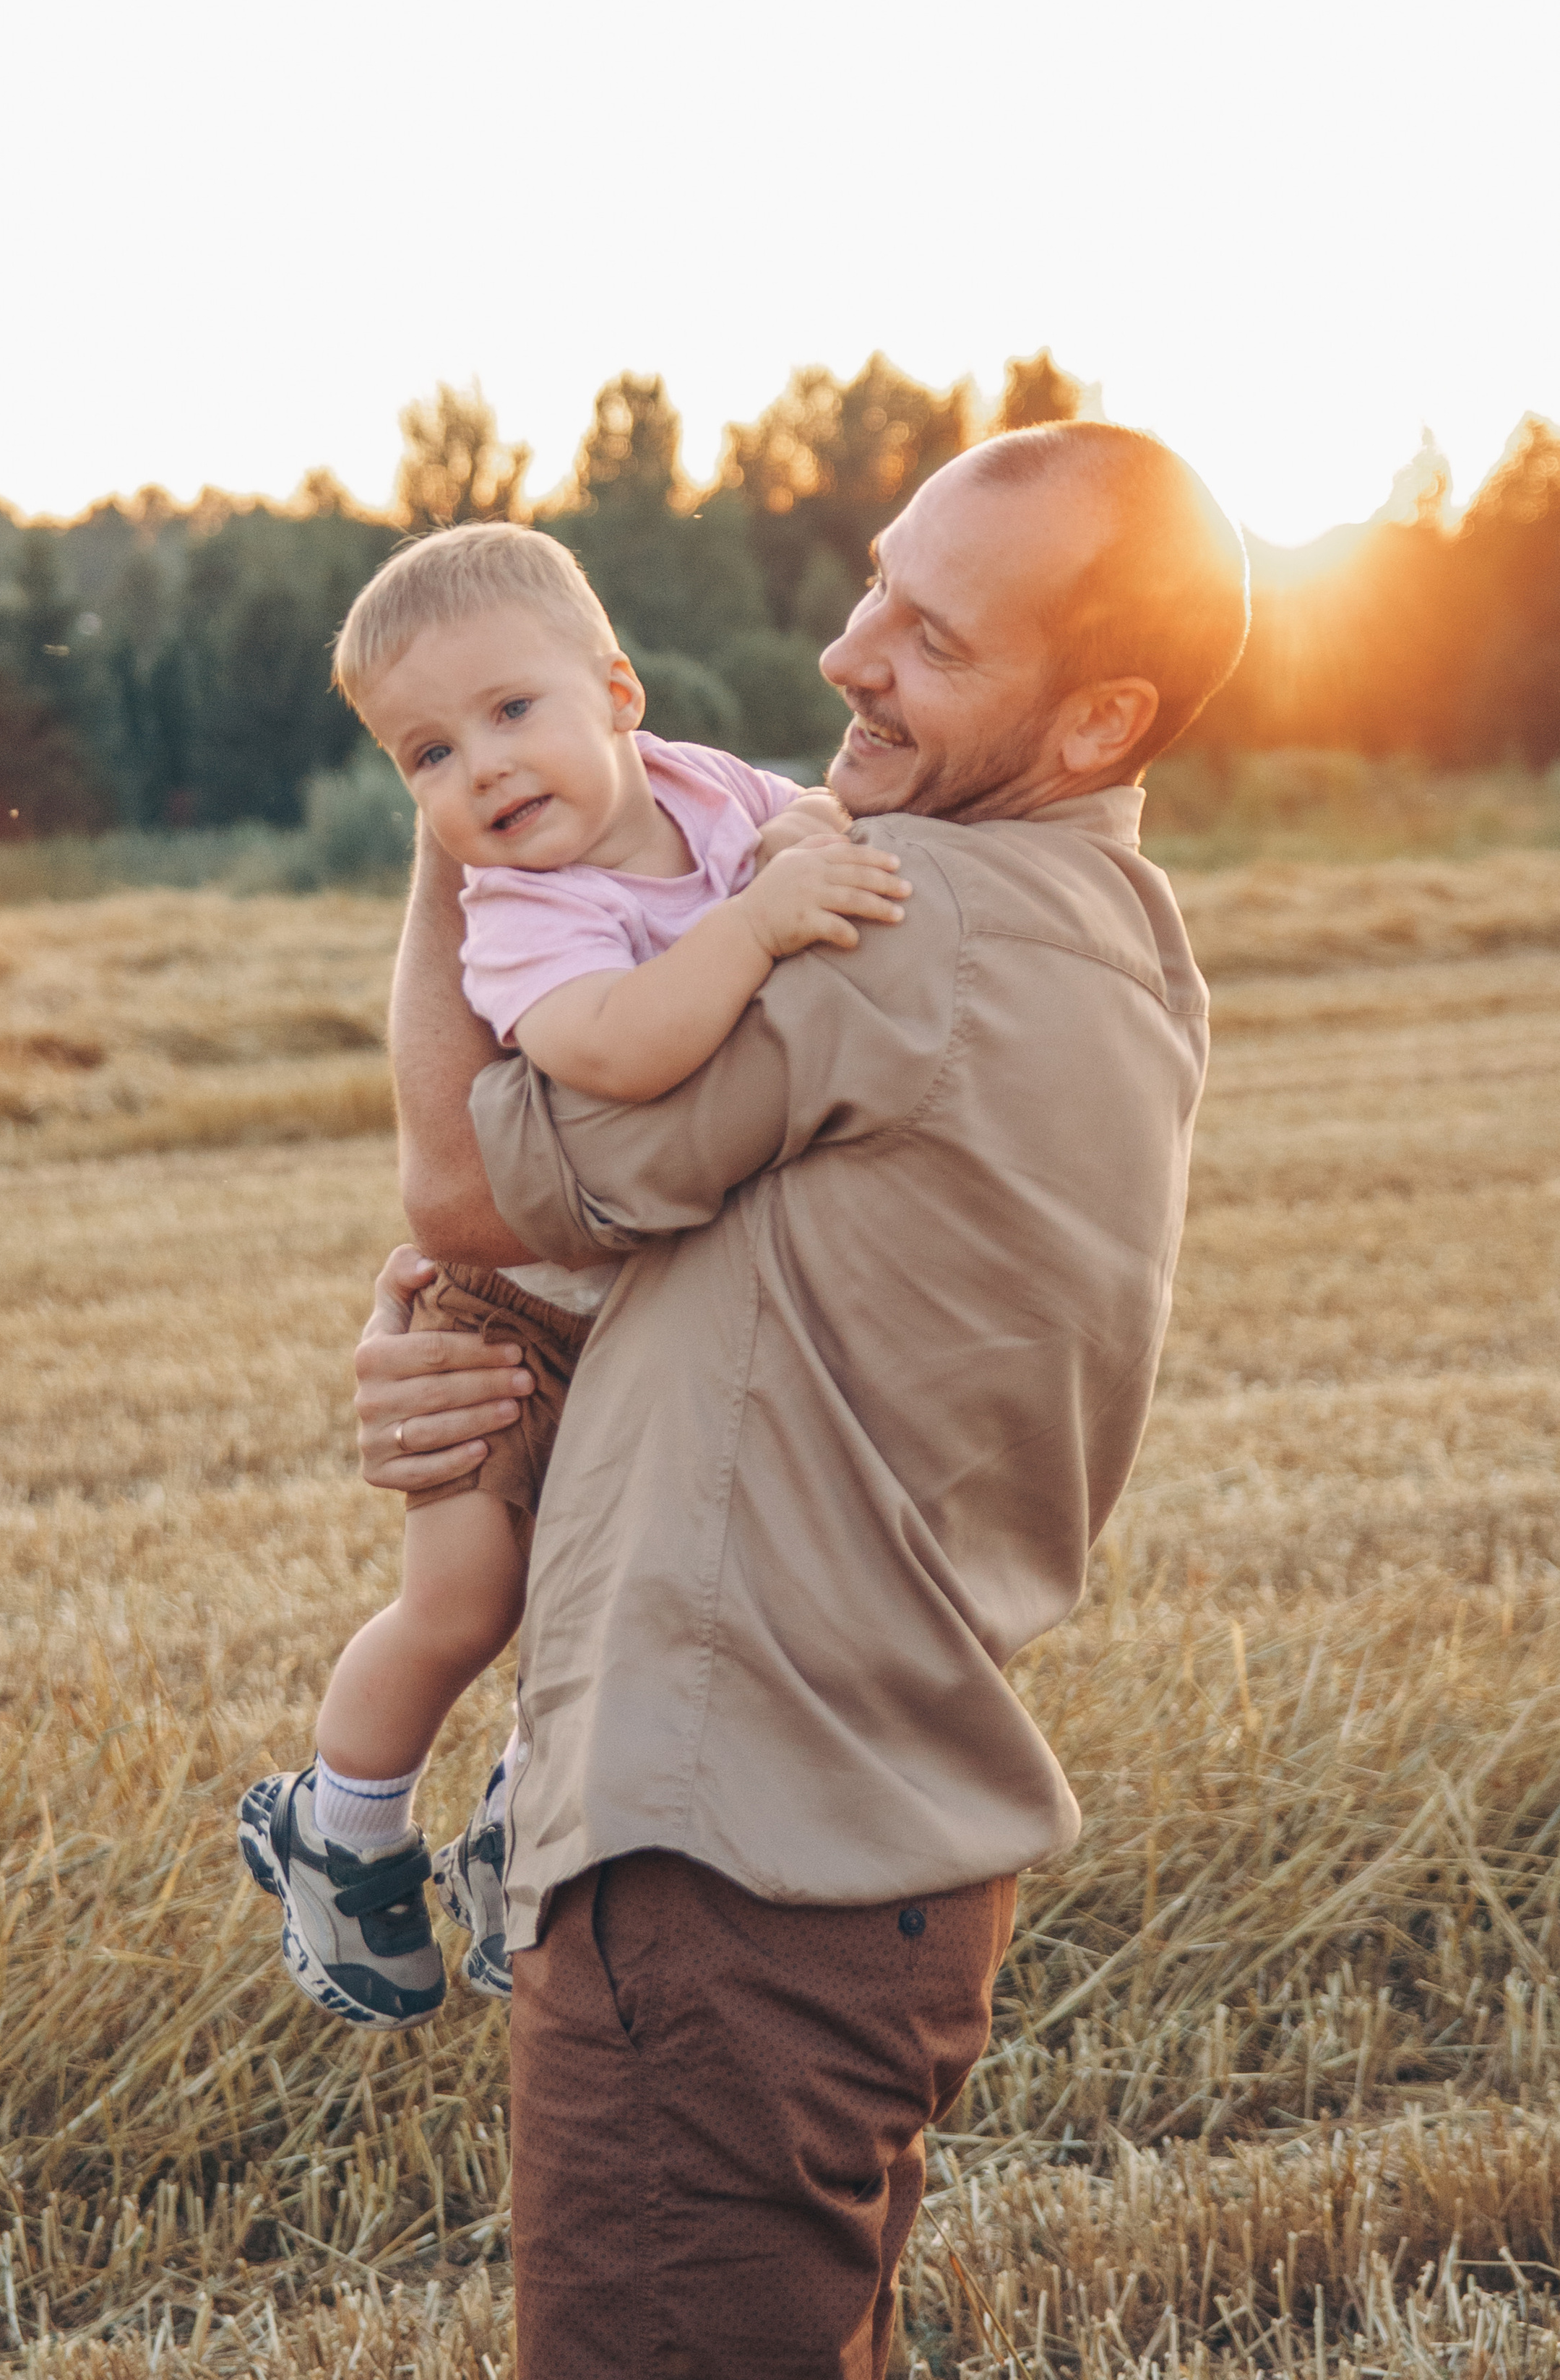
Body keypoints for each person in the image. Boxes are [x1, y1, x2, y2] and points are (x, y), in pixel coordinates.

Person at [352, 421, 1250, 2379]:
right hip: (857, 1854)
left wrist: (454, 835)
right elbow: (801, 1325)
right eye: (874, 588)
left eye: (931, 636)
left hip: (731, 1868)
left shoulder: (894, 919)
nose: (849, 656)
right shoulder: (1119, 949)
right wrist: (507, 1371)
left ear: (1098, 720)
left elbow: (466, 1178)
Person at [238, 525, 911, 2024]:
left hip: (639, 1314)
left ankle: (515, 1841)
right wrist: (754, 925)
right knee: (463, 1600)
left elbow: (799, 817)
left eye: (508, 713)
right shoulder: (521, 908)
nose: (474, 773)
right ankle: (338, 1826)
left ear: (620, 693)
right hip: (510, 1316)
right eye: (424, 756)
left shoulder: (704, 784)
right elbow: (613, 1050)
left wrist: (796, 850)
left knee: (608, 1603)